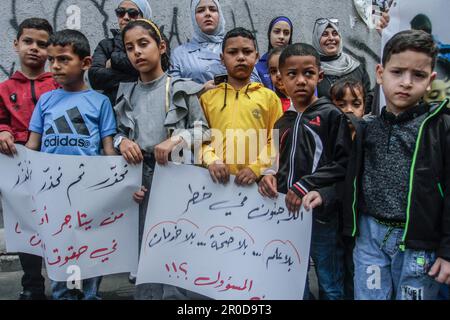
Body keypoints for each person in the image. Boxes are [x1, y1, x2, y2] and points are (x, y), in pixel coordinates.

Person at [347, 30, 450, 300]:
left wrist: (447, 252)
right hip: (370, 238)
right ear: (380, 73)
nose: (406, 82)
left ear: (430, 81)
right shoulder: (367, 128)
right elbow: (346, 177)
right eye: (397, 72)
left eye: (417, 75)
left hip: (418, 244)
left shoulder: (440, 128)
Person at [114, 19, 209, 300]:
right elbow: (115, 134)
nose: (137, 53)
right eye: (130, 48)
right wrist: (123, 142)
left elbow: (204, 130)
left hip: (177, 178)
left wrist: (176, 139)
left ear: (161, 46)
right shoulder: (126, 93)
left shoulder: (183, 87)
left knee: (180, 244)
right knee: (146, 249)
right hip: (138, 181)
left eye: (143, 44)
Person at [26, 29, 117, 300]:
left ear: (86, 63)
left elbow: (108, 150)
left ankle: (89, 295)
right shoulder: (45, 101)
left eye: (64, 59)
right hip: (52, 194)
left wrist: (123, 187)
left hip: (88, 192)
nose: (55, 66)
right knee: (59, 252)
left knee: (89, 252)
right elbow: (32, 146)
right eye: (52, 60)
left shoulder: (100, 103)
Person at [258, 43, 352, 300]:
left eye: (308, 73)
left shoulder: (331, 115)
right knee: (292, 280)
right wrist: (267, 174)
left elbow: (343, 164)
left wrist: (305, 185)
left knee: (329, 281)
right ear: (280, 79)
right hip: (286, 216)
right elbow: (274, 160)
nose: (300, 80)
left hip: (320, 215)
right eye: (292, 74)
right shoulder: (281, 122)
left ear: (319, 76)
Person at [0, 18, 57, 300]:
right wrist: (3, 130)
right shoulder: (4, 88)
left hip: (56, 168)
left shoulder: (59, 86)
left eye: (42, 44)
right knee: (26, 229)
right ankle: (32, 286)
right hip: (17, 168)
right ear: (16, 44)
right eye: (28, 42)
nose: (34, 48)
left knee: (61, 226)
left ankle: (67, 284)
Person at [305, 77, 368, 300]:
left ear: (365, 106)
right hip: (331, 218)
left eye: (356, 104)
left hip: (360, 223)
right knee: (332, 274)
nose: (348, 110)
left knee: (354, 273)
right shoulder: (328, 137)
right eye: (341, 104)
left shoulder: (368, 136)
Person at [201, 27, 283, 185]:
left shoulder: (269, 98)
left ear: (257, 57)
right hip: (213, 185)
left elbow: (275, 141)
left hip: (255, 186)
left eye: (247, 52)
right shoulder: (207, 99)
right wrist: (211, 160)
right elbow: (198, 138)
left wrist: (256, 168)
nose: (240, 57)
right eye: (232, 52)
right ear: (222, 59)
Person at [169, 0, 261, 89]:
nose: (207, 14)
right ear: (193, 16)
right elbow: (172, 87)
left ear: (220, 14)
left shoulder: (234, 47)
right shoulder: (180, 53)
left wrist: (230, 87)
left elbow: (255, 82)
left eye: (213, 9)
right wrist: (199, 90)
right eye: (200, 10)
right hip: (194, 104)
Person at [88, 0, 153, 104]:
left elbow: (158, 69)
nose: (126, 17)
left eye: (133, 13)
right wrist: (138, 76)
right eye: (120, 12)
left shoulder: (154, 42)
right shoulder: (106, 45)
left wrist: (113, 62)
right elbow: (95, 77)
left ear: (144, 18)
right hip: (113, 108)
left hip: (147, 103)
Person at [312, 17, 373, 113]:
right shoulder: (312, 70)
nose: (331, 38)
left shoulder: (355, 67)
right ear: (316, 38)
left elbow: (368, 96)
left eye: (335, 33)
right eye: (325, 34)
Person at [256, 16, 293, 90]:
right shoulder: (258, 67)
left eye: (286, 33)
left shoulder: (296, 63)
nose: (281, 36)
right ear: (269, 34)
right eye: (277, 31)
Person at [267, 46, 291, 112]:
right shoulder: (269, 104)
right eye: (273, 71)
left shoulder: (305, 103)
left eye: (283, 69)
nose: (278, 75)